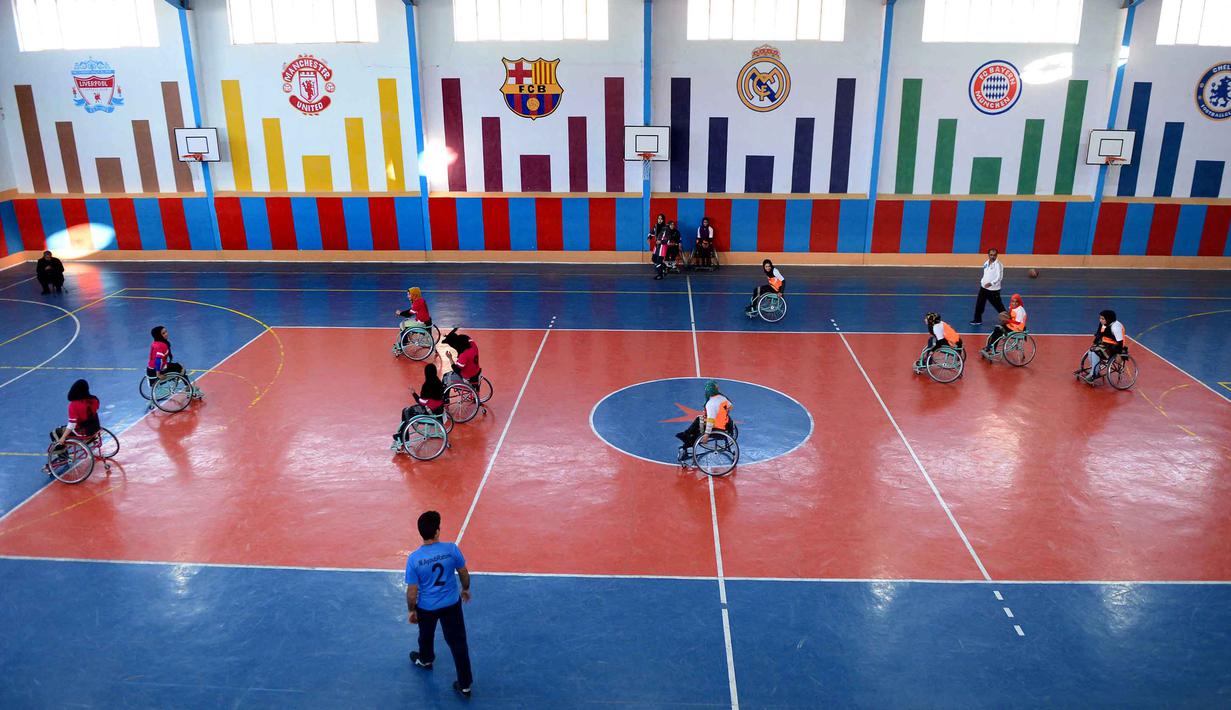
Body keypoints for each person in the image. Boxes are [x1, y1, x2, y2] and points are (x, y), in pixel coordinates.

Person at [406, 510, 473, 699]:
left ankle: (426, 660)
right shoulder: (451, 549)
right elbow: (463, 572)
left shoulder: (414, 559)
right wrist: (466, 589)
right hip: (451, 604)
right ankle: (465, 684)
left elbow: (412, 592)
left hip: (427, 608)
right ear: (437, 531)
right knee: (458, 643)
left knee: (425, 636)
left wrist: (412, 610)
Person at [46, 379, 101, 469]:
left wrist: (63, 438)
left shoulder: (74, 405)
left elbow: (72, 424)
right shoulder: (94, 399)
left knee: (55, 433)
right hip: (95, 427)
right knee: (64, 429)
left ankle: (62, 457)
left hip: (83, 432)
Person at [674, 380, 734, 461]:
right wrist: (721, 413)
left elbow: (710, 421)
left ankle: (687, 443)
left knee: (697, 432)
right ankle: (686, 434)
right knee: (699, 419)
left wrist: (706, 435)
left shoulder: (711, 404)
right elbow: (730, 407)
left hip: (717, 428)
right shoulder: (722, 398)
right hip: (724, 422)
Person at [393, 364, 446, 449]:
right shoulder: (438, 382)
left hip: (430, 412)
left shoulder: (427, 385)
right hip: (438, 409)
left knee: (406, 412)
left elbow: (421, 402)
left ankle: (403, 437)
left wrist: (413, 393)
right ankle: (402, 434)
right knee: (408, 411)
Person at [147, 325, 202, 400]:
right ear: (158, 335)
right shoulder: (162, 346)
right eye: (163, 333)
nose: (166, 334)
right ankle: (188, 387)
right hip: (157, 370)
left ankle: (182, 382)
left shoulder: (155, 343)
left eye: (166, 332)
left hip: (150, 369)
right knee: (181, 368)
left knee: (178, 365)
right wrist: (158, 374)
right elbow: (158, 360)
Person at [1080, 309, 1125, 383]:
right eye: (1100, 318)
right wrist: (1094, 344)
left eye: (1102, 318)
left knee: (1095, 352)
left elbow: (1120, 343)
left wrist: (1118, 355)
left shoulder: (1116, 327)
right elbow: (1099, 334)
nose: (1100, 320)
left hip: (1115, 347)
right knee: (1091, 351)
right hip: (1106, 344)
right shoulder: (1104, 323)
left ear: (1109, 319)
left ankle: (1094, 374)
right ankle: (1094, 370)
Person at [970, 248, 1005, 326]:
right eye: (991, 255)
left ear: (997, 255)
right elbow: (986, 274)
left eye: (994, 255)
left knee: (999, 306)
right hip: (983, 288)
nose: (992, 256)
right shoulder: (986, 263)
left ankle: (1007, 321)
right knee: (979, 304)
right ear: (988, 255)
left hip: (993, 290)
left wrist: (991, 283)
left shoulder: (999, 265)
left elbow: (1000, 277)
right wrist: (983, 281)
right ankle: (977, 320)